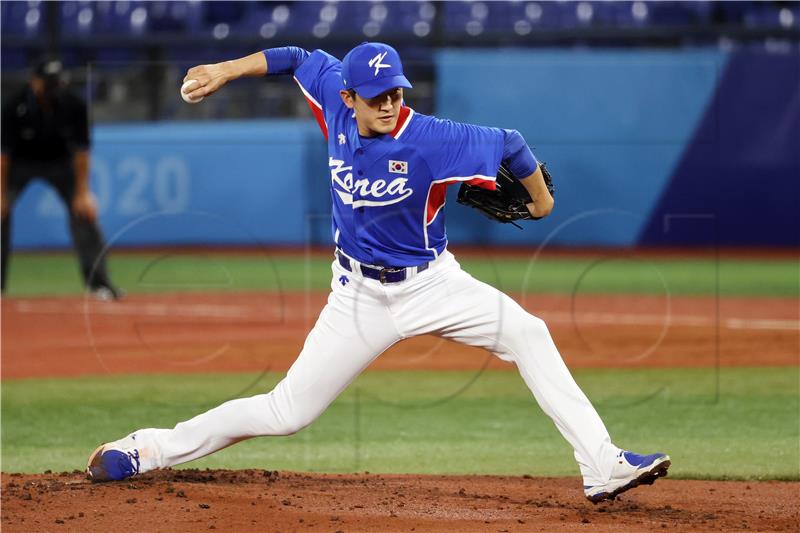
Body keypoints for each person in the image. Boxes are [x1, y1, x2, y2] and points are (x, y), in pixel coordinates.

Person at [86, 43, 669, 503]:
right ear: (350, 97)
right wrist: (227, 69)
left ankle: (602, 465)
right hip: (356, 296)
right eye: (376, 96)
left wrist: (540, 204)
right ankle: (148, 450)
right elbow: (294, 57)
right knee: (288, 411)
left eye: (395, 91)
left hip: (434, 285)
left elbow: (512, 144)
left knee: (527, 333)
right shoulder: (332, 103)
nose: (388, 104)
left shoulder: (434, 138)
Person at [1, 59, 122, 300]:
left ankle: (99, 284)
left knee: (84, 212)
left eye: (55, 83)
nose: (52, 88)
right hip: (19, 164)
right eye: (47, 83)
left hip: (60, 163)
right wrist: (1, 194)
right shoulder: (13, 106)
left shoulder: (73, 104)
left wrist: (83, 192)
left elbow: (82, 151)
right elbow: (3, 155)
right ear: (34, 82)